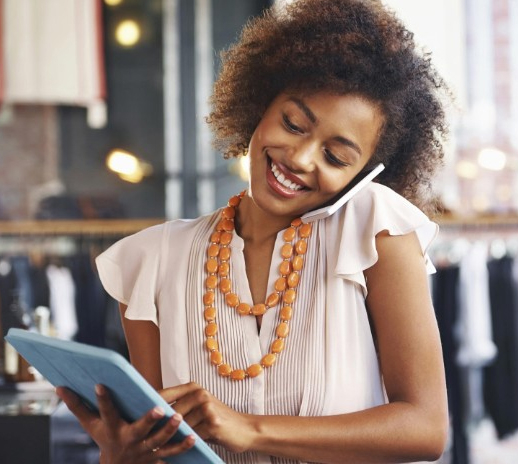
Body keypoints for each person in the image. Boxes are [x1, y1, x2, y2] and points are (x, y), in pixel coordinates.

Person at [57, 0, 450, 462]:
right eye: (293, 124)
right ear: (260, 105)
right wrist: (123, 455)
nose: (302, 159)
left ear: (364, 175)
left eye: (337, 157)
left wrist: (253, 429)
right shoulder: (151, 260)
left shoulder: (375, 232)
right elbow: (165, 445)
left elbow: (425, 428)